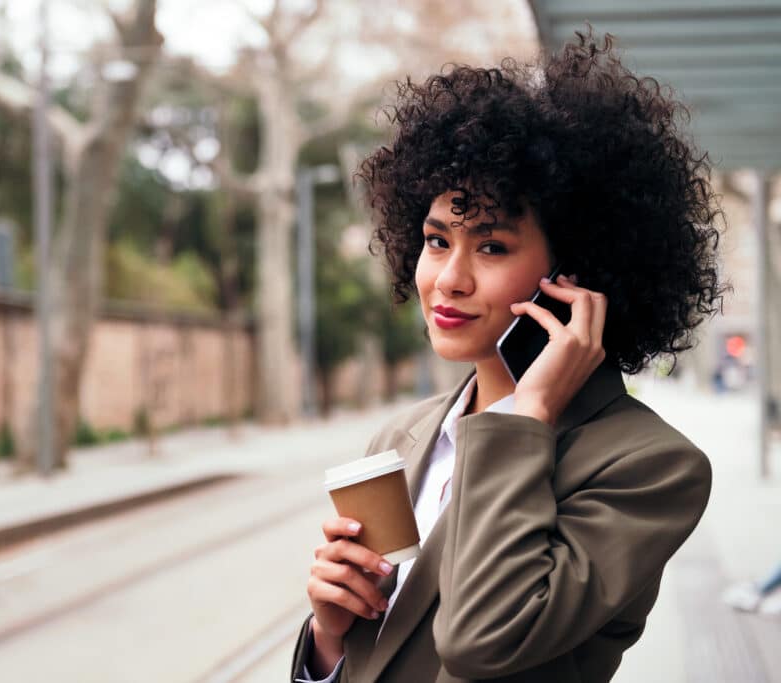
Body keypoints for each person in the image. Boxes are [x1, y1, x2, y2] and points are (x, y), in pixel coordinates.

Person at [291, 28, 726, 683]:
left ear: (575, 274)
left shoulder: (651, 468)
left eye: (491, 246)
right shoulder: (401, 437)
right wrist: (328, 637)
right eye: (437, 240)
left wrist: (532, 413)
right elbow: (368, 656)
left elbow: (481, 638)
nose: (448, 279)